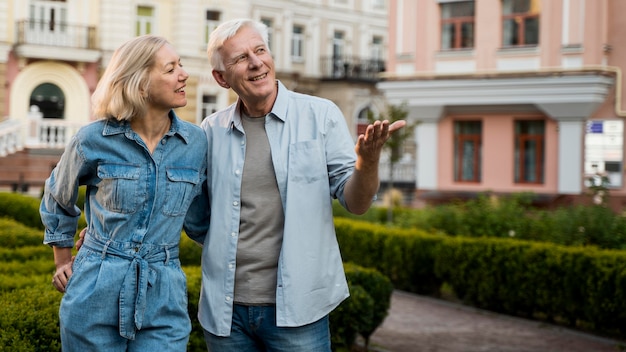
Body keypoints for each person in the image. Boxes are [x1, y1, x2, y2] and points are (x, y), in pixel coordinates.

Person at [198, 18, 406, 352]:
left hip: (297, 310)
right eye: (240, 58)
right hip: (225, 313)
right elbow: (197, 215)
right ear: (221, 78)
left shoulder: (320, 116)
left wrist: (367, 163)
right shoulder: (210, 131)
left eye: (260, 50)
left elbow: (357, 203)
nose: (255, 63)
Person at [40, 35, 210, 351]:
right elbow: (57, 197)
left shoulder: (196, 144)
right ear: (140, 82)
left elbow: (202, 220)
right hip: (94, 287)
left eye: (181, 66)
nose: (183, 75)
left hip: (164, 292)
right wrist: (63, 260)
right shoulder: (93, 138)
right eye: (171, 68)